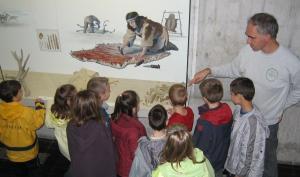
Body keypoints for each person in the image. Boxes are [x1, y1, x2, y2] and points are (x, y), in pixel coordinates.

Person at [190, 12, 300, 177]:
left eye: (252, 37)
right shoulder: (247, 51)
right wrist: (209, 71)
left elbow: (298, 90)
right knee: (238, 155)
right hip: (241, 118)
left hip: (267, 124)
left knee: (267, 163)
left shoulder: (291, 63)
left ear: (267, 36)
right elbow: (233, 69)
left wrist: (281, 107)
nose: (248, 41)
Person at [0, 80, 46, 177]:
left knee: (18, 172)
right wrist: (40, 106)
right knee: (33, 170)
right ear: (16, 96)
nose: (22, 92)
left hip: (11, 152)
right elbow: (38, 123)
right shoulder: (26, 112)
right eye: (20, 91)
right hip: (28, 152)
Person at [225, 77, 269, 177]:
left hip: (245, 172)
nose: (230, 96)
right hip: (235, 166)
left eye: (231, 93)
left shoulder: (252, 122)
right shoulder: (238, 109)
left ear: (239, 96)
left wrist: (240, 174)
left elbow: (248, 155)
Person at [67, 90, 116, 177]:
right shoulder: (100, 126)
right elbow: (108, 151)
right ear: (94, 107)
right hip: (98, 170)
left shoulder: (71, 125)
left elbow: (72, 149)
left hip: (79, 168)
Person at [193, 78, 232, 177]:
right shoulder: (226, 109)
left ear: (205, 98)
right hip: (221, 156)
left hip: (208, 162)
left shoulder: (204, 123)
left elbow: (200, 146)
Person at [111, 90, 147, 177]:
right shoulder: (134, 131)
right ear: (133, 108)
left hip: (119, 167)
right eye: (138, 103)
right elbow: (137, 156)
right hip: (132, 171)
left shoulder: (115, 120)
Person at [129, 104, 168, 177]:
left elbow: (135, 171)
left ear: (149, 123)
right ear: (166, 122)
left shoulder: (143, 147)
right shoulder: (174, 143)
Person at [45, 84, 77, 161]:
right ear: (69, 101)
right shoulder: (73, 116)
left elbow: (48, 124)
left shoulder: (53, 111)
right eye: (76, 96)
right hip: (74, 147)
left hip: (63, 148)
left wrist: (49, 104)